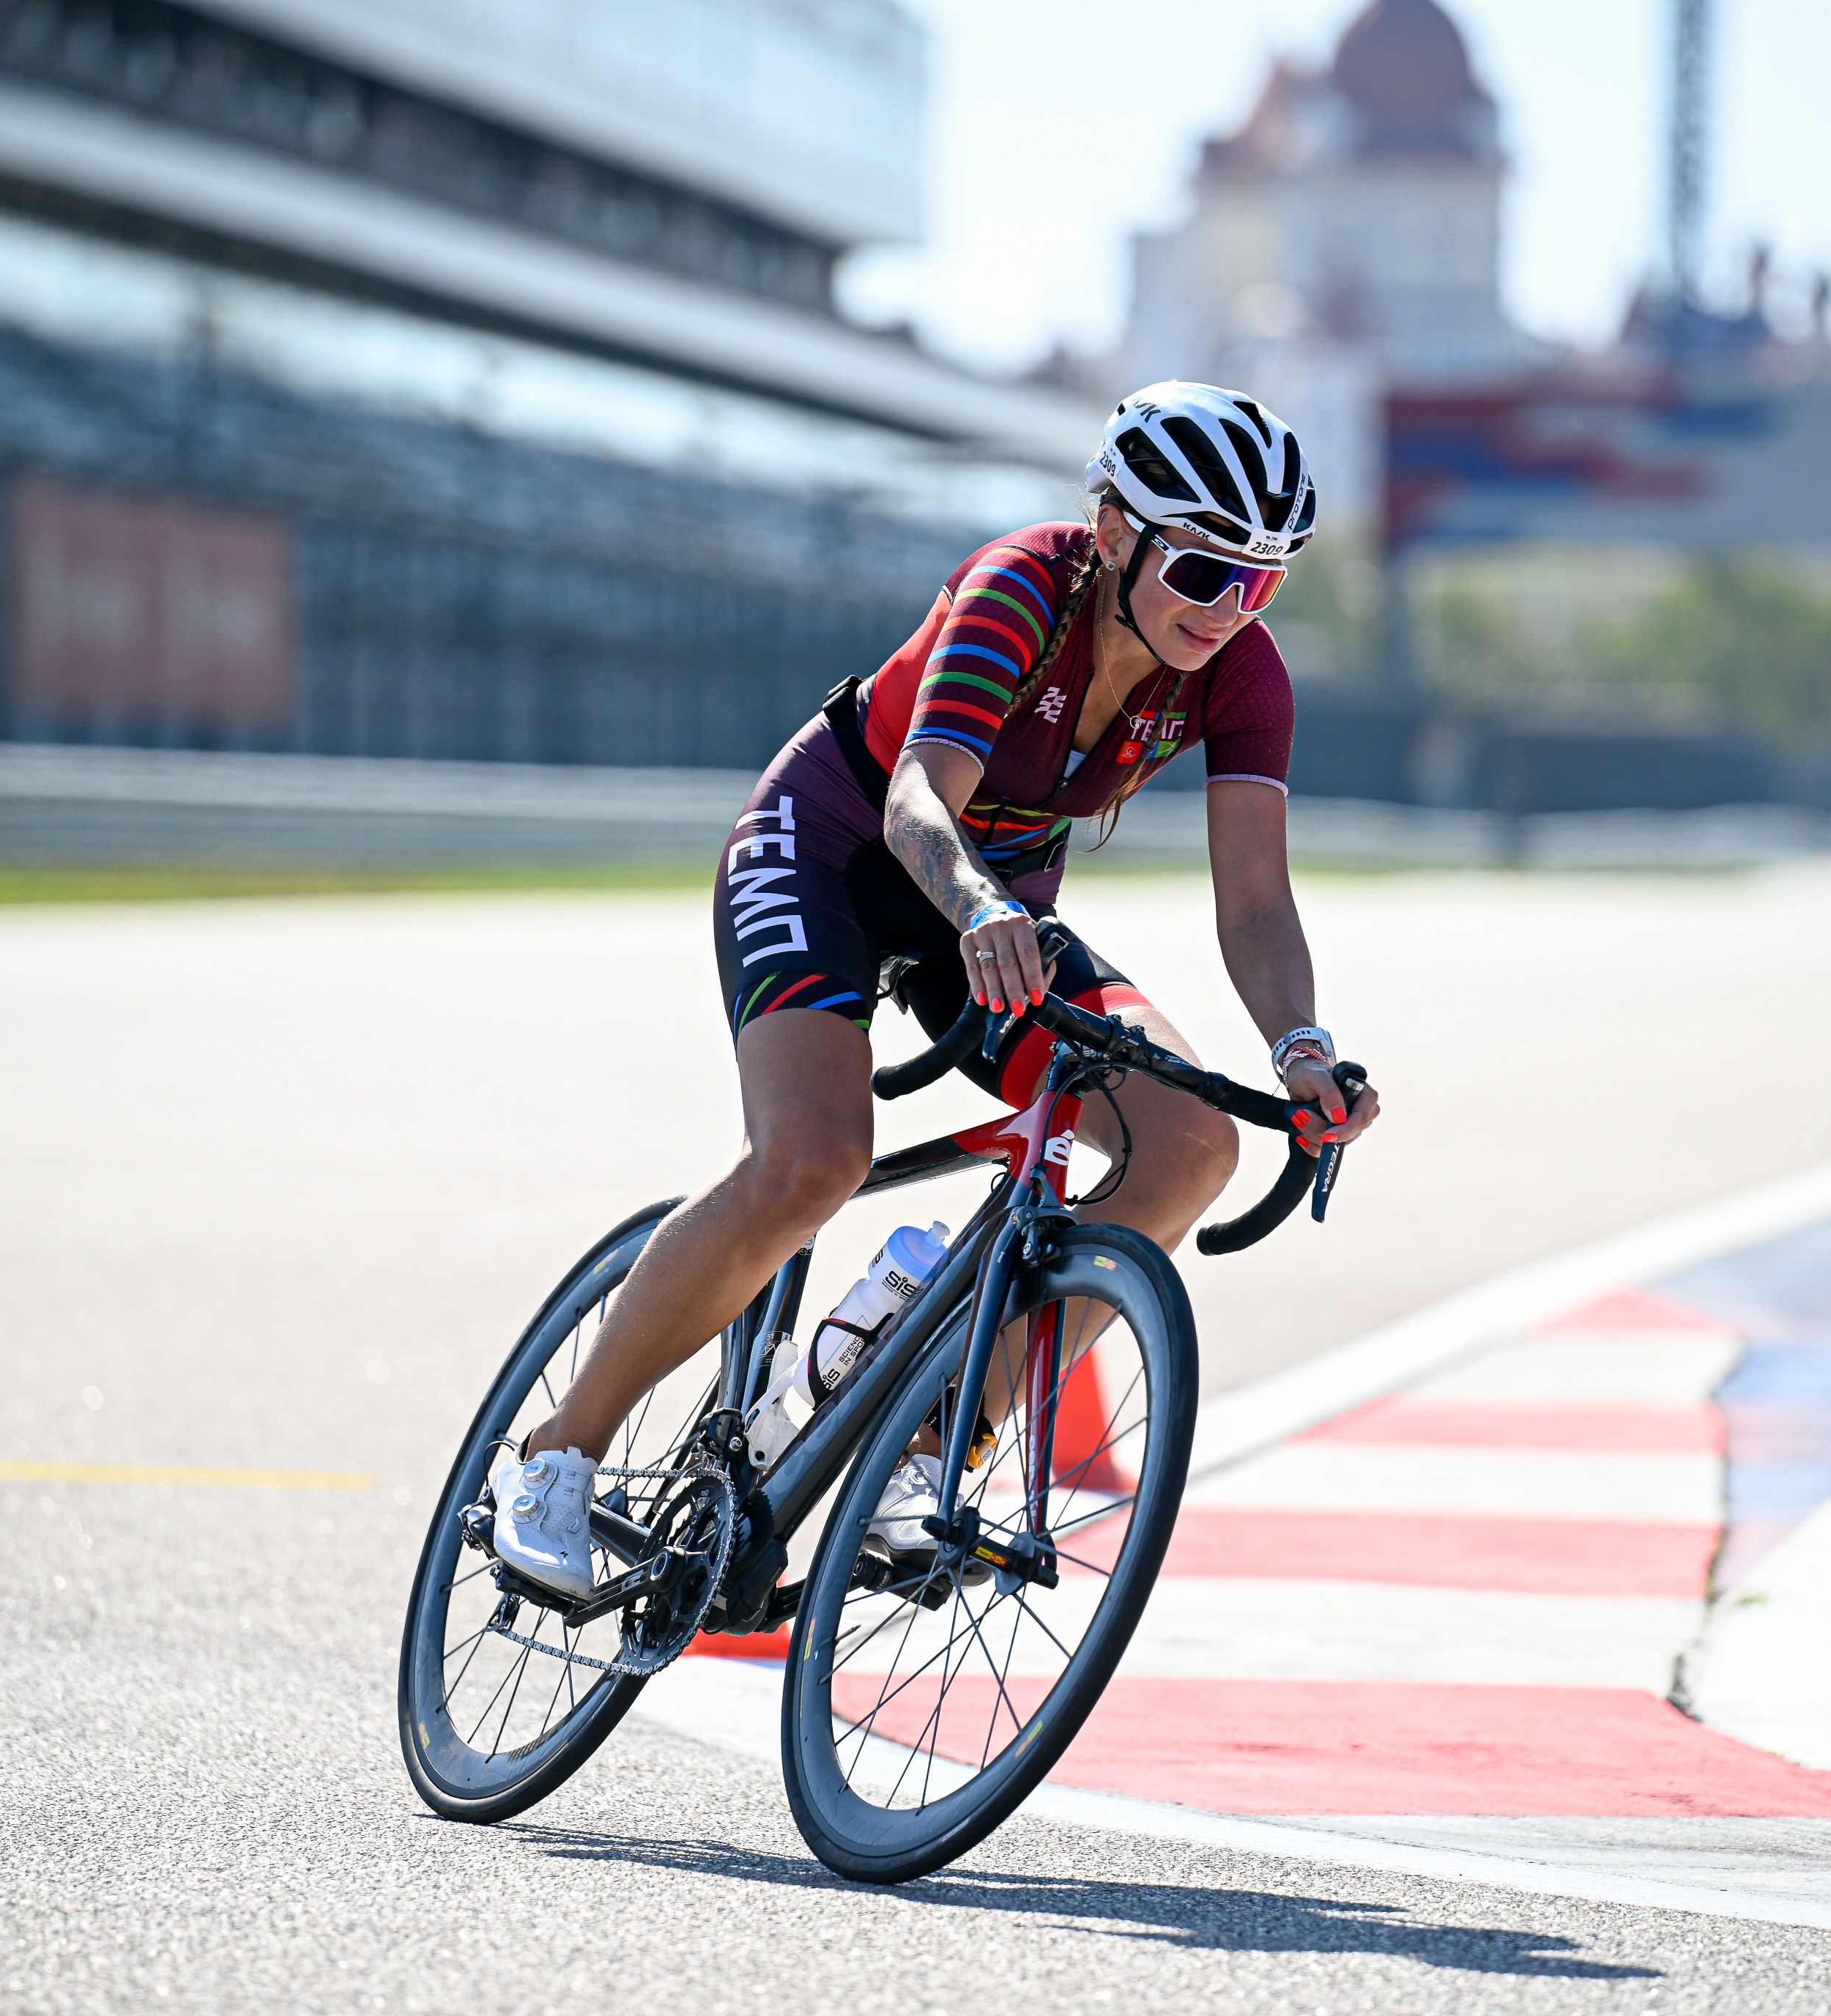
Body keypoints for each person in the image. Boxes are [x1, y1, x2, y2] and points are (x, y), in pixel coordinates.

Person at [491, 382, 1382, 1598]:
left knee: (1190, 1146)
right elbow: (919, 799)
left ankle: (924, 1453)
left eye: (1263, 583)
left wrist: (1302, 1050)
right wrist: (978, 908)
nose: (1230, 610)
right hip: (842, 852)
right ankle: (557, 1455)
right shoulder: (1022, 586)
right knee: (813, 1161)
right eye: (1203, 571)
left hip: (990, 906)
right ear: (1114, 532)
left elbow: (1257, 902)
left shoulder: (1243, 674)